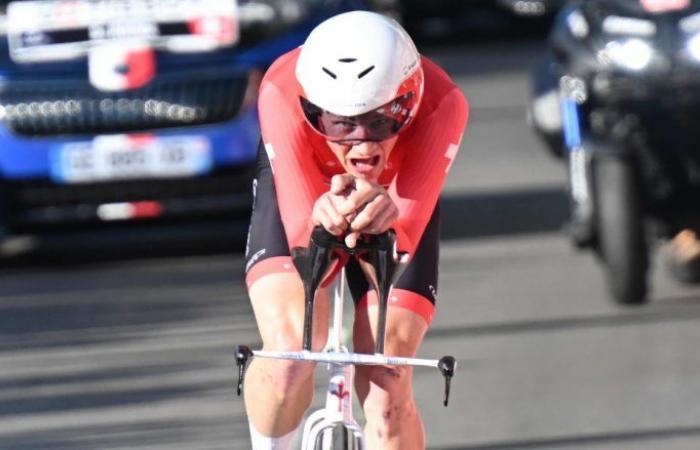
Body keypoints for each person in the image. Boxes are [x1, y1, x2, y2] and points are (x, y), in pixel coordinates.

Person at [243, 10, 468, 450]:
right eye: (340, 124)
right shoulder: (279, 89)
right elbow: (301, 235)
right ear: (310, 108)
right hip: (304, 184)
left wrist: (389, 218)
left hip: (398, 193)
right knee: (291, 350)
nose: (364, 143)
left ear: (411, 98)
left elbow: (404, 231)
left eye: (384, 120)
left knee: (387, 374)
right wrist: (317, 221)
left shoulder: (444, 102)